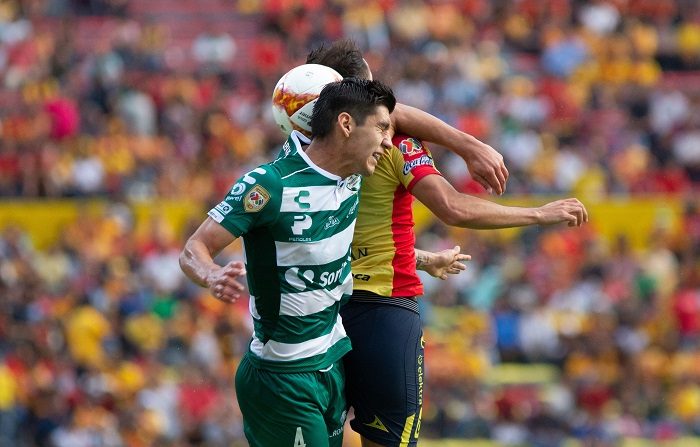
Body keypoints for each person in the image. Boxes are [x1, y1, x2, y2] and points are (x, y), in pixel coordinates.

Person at [306, 40, 588, 447]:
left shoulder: (298, 150)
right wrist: (539, 213)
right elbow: (453, 207)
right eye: (371, 90)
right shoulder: (395, 144)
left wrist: (418, 256)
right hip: (385, 311)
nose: (383, 106)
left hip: (321, 309)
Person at [179, 78, 397, 447]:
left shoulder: (353, 178)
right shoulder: (269, 185)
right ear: (346, 125)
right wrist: (211, 274)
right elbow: (194, 248)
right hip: (283, 377)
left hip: (332, 361)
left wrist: (421, 259)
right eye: (381, 128)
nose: (389, 141)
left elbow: (334, 250)